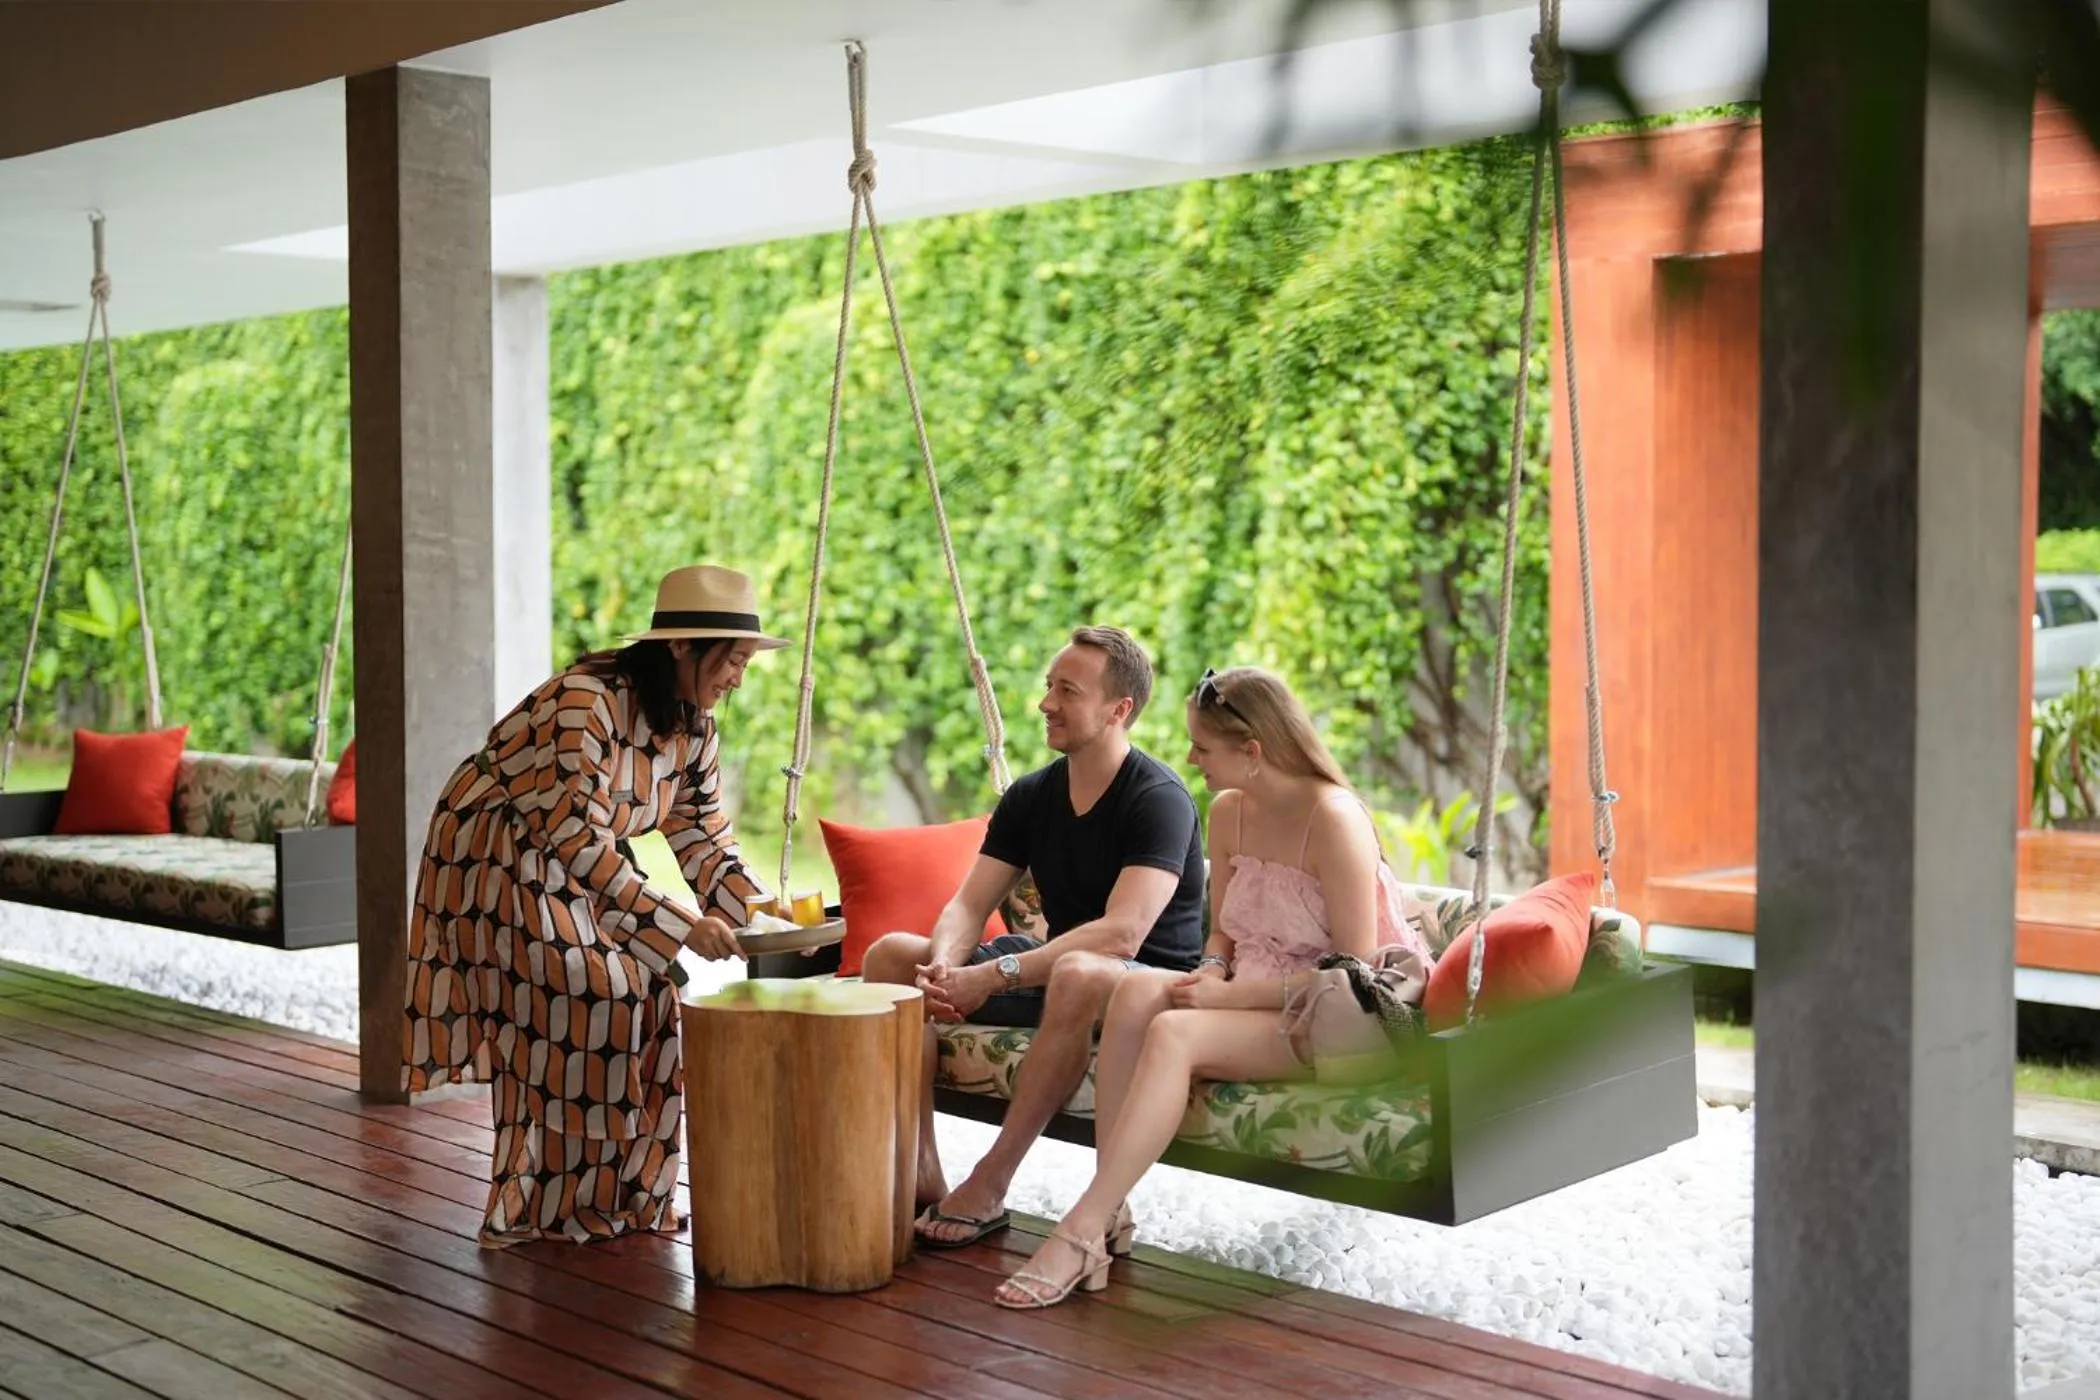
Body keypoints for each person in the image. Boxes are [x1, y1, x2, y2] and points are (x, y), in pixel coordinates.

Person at [992, 665, 1433, 1308]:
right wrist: (1214, 971)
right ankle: (1111, 1211)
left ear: (1252, 752)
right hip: (1251, 992)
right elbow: (1224, 933)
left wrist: (1225, 997)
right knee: (1136, 991)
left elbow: (1352, 972)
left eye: (1203, 747)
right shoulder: (1228, 812)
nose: (1190, 758)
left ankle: (1083, 1227)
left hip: (1335, 1015)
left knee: (1173, 1031)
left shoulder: (1334, 819)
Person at [401, 563, 787, 1248]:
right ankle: (538, 1207)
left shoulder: (695, 727)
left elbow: (701, 835)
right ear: (681, 647)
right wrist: (681, 924)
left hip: (586, 858)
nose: (737, 679)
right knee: (586, 992)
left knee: (653, 992)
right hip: (496, 849)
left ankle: (630, 1198)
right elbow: (573, 837)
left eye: (745, 664)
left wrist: (761, 913)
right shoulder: (587, 705)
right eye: (732, 661)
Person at [860, 626, 1206, 1249]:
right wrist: (944, 969)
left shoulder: (1158, 798)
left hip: (1145, 986)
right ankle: (919, 1165)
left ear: (1118, 709)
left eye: (1067, 690)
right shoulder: (1032, 794)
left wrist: (990, 977)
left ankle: (992, 1180)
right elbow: (969, 904)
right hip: (1057, 967)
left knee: (1078, 971)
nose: (1046, 702)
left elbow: (1123, 934)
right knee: (892, 958)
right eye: (1049, 685)